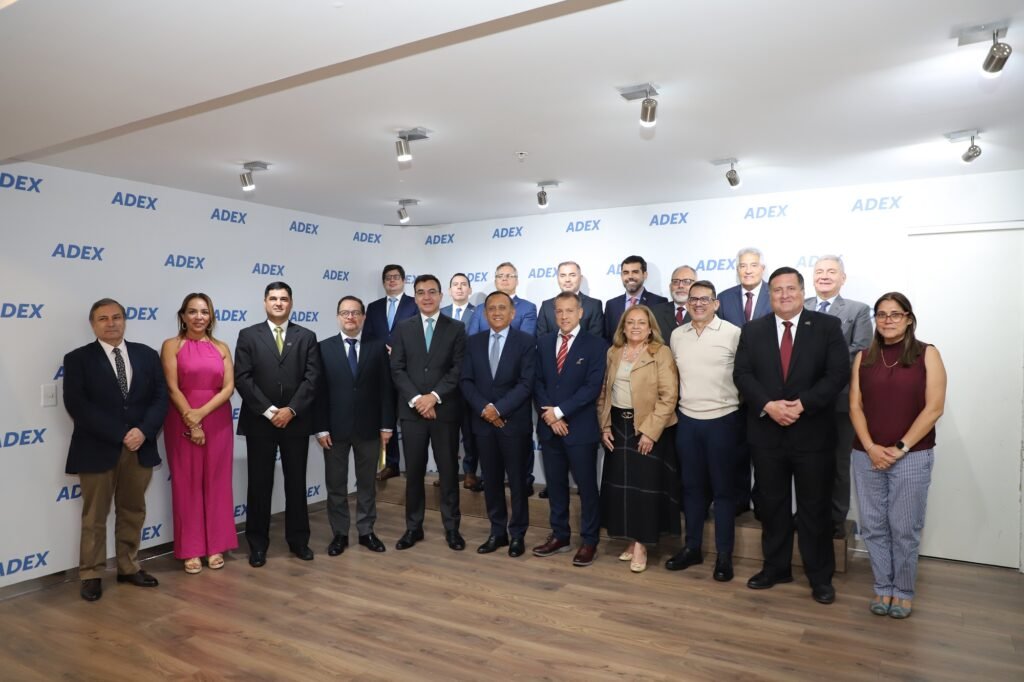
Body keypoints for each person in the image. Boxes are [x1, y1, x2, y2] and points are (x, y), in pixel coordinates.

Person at [733, 267, 849, 604]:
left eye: (790, 289)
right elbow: (742, 374)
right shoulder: (753, 330)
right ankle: (776, 568)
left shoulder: (827, 326)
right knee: (772, 506)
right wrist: (769, 405)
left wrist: (803, 405)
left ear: (802, 292)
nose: (784, 295)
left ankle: (820, 577)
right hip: (767, 434)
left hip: (812, 434)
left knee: (815, 508)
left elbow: (838, 373)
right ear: (769, 295)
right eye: (777, 290)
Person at [849, 292, 946, 619]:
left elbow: (934, 408)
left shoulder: (927, 354)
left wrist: (900, 448)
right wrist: (871, 447)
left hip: (912, 456)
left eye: (895, 314)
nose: (888, 320)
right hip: (866, 456)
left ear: (908, 319)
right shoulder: (863, 357)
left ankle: (903, 591)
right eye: (881, 314)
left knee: (904, 529)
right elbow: (855, 406)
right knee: (873, 527)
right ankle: (883, 587)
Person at [64, 298, 168, 601]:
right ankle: (91, 574)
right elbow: (77, 405)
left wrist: (143, 431)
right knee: (95, 515)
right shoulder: (78, 359)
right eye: (103, 318)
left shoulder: (147, 355)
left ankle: (128, 566)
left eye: (116, 317)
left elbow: (160, 398)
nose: (111, 323)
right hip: (96, 448)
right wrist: (121, 434)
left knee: (133, 511)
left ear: (124, 320)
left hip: (139, 447)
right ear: (93, 324)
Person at [234, 281, 322, 567]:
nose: (278, 303)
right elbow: (242, 378)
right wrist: (270, 411)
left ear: (291, 303)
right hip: (260, 422)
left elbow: (312, 378)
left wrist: (291, 410)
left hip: (296, 422)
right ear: (265, 302)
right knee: (259, 485)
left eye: (284, 298)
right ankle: (257, 545)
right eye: (273, 298)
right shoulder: (248, 335)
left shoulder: (306, 336)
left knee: (296, 483)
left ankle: (299, 541)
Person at [665, 281, 743, 581]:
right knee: (691, 489)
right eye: (693, 299)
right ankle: (692, 548)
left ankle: (724, 556)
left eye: (705, 299)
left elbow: (745, 376)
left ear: (716, 303)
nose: (698, 304)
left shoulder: (733, 333)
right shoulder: (677, 335)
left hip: (723, 421)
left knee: (723, 491)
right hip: (687, 421)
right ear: (686, 304)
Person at [597, 305, 680, 573]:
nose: (635, 327)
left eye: (641, 323)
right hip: (618, 426)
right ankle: (632, 540)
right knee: (624, 489)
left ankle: (643, 545)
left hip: (648, 426)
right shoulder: (613, 352)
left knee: (645, 490)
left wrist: (650, 432)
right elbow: (604, 392)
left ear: (650, 328)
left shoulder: (660, 352)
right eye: (630, 322)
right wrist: (604, 425)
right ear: (622, 327)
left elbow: (669, 396)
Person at [160, 293, 237, 575]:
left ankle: (216, 546)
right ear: (183, 316)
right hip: (182, 417)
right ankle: (191, 549)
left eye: (204, 312)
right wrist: (192, 422)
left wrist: (201, 415)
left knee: (218, 483)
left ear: (211, 316)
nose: (198, 317)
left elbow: (228, 388)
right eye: (192, 311)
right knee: (186, 484)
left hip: (217, 419)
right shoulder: (171, 345)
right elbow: (171, 387)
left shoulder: (221, 347)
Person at [390, 274, 467, 551]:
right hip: (412, 414)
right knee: (413, 473)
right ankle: (413, 528)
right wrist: (417, 400)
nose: (426, 297)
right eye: (421, 292)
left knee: (448, 473)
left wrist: (433, 397)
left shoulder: (456, 328)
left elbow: (457, 369)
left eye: (432, 292)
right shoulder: (403, 328)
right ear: (415, 297)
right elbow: (397, 368)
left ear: (441, 296)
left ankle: (452, 529)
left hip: (444, 411)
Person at [314, 296, 395, 557]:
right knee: (336, 485)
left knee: (366, 484)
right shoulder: (323, 348)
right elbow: (318, 393)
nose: (350, 317)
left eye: (355, 313)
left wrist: (386, 425)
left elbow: (386, 389)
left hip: (369, 428)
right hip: (334, 431)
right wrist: (321, 428)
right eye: (345, 313)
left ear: (363, 317)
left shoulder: (378, 347)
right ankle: (339, 533)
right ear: (338, 316)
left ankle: (366, 531)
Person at [532, 292, 608, 567]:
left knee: (587, 488)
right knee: (555, 486)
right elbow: (537, 382)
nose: (564, 316)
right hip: (549, 428)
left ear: (580, 313)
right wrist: (551, 417)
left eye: (569, 311)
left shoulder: (596, 345)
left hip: (580, 429)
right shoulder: (543, 343)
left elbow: (592, 387)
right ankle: (560, 535)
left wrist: (560, 412)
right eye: (559, 311)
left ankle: (589, 541)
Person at [460, 291, 536, 557]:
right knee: (491, 481)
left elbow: (526, 383)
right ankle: (497, 532)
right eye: (491, 308)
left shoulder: (526, 342)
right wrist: (485, 409)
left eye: (502, 308)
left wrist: (499, 409)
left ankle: (518, 535)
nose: (496, 312)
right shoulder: (473, 342)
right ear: (484, 313)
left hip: (513, 423)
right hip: (483, 424)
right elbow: (466, 381)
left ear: (513, 313)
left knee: (517, 482)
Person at [803, 255, 872, 539]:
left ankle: (835, 517)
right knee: (806, 462)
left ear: (842, 278)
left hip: (841, 401)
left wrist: (818, 360)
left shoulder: (858, 310)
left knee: (838, 464)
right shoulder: (800, 306)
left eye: (831, 271)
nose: (824, 276)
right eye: (819, 271)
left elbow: (861, 350)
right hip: (804, 401)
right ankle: (808, 513)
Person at [717, 247, 771, 518]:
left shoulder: (776, 294)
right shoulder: (724, 298)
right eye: (742, 265)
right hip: (731, 384)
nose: (748, 270)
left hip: (767, 385)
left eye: (753, 265)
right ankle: (738, 500)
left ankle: (763, 503)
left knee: (765, 451)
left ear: (762, 268)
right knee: (735, 448)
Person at [364, 264, 418, 482]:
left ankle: (414, 465)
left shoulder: (414, 304)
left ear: (404, 280)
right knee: (386, 417)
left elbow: (419, 335)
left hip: (407, 371)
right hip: (380, 370)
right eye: (388, 277)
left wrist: (399, 351)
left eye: (396, 277)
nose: (392, 280)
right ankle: (391, 464)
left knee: (410, 419)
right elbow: (367, 338)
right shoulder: (374, 307)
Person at [441, 273, 482, 491]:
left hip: (469, 379)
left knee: (469, 430)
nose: (459, 288)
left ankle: (469, 472)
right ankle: (447, 473)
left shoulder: (479, 313)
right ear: (449, 290)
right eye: (455, 284)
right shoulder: (440, 313)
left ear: (469, 289)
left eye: (463, 284)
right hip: (444, 381)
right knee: (446, 432)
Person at [603, 255, 668, 341]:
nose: (630, 276)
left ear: (645, 275)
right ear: (621, 275)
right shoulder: (611, 305)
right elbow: (607, 338)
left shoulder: (659, 302)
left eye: (635, 272)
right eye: (626, 272)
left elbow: (660, 336)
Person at [536, 261, 605, 337]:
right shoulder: (546, 306)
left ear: (580, 278)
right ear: (558, 279)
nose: (567, 280)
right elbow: (541, 339)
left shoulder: (594, 305)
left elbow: (596, 339)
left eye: (572, 275)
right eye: (562, 275)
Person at [467, 262, 537, 336]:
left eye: (509, 276)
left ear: (517, 281)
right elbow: (472, 338)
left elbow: (526, 339)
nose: (504, 279)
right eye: (500, 276)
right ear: (495, 282)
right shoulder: (480, 308)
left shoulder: (527, 308)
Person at [652, 265, 697, 343]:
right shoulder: (655, 312)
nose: (680, 286)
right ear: (670, 286)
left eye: (686, 282)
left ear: (696, 286)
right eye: (676, 282)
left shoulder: (704, 313)